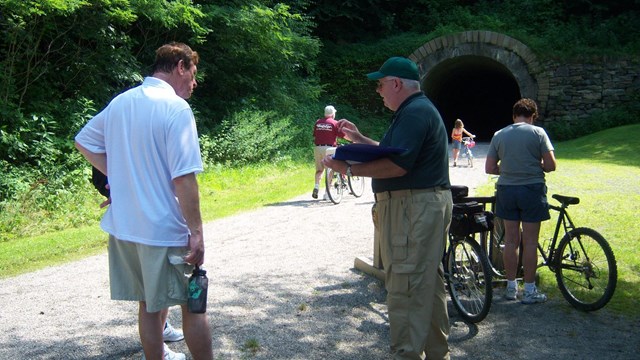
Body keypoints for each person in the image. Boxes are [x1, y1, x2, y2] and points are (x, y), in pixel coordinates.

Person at [75, 42, 213, 360]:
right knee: (193, 306)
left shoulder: (123, 102)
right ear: (180, 66)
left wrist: (124, 180)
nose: (194, 83)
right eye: (193, 74)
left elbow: (84, 141)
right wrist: (197, 231)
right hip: (161, 230)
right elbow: (184, 178)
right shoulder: (175, 108)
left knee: (150, 306)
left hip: (126, 228)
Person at [323, 56, 452, 360]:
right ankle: (437, 353)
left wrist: (348, 169)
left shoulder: (415, 112)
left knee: (405, 285)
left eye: (380, 84)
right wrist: (357, 139)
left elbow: (397, 165)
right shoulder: (415, 110)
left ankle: (408, 354)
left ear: (396, 83)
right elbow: (395, 152)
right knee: (426, 282)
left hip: (412, 207)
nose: (378, 90)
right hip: (420, 205)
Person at [90, 167, 186, 345]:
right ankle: (158, 346)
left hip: (134, 211)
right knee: (154, 293)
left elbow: (86, 143)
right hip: (147, 214)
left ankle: (161, 334)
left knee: (155, 290)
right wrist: (118, 185)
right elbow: (85, 143)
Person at [485, 98, 557, 305]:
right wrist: (537, 166)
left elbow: (489, 168)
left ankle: (510, 287)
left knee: (510, 240)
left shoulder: (500, 134)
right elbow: (551, 165)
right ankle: (530, 290)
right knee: (531, 242)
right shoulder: (538, 133)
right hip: (531, 189)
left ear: (514, 115)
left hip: (507, 190)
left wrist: (507, 169)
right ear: (533, 116)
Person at [312, 105, 345, 199]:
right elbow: (342, 135)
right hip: (329, 148)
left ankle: (316, 186)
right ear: (333, 113)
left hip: (318, 148)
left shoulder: (318, 122)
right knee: (330, 170)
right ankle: (327, 193)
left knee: (319, 170)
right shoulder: (335, 123)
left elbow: (315, 134)